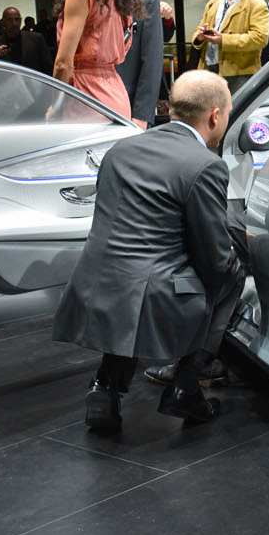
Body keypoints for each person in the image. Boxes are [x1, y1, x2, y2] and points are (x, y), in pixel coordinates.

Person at [54, 71, 240, 429]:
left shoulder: (121, 150)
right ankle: (187, 386)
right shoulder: (206, 166)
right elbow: (214, 259)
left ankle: (105, 384)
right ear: (215, 116)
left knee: (138, 274)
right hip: (155, 296)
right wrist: (232, 255)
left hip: (94, 285)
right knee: (229, 275)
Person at [194, 0, 269, 94]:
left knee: (236, 114)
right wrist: (200, 37)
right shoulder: (214, 2)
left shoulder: (256, 4)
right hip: (209, 69)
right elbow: (200, 28)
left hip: (240, 74)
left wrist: (223, 40)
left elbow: (260, 38)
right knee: (211, 114)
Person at [119, 0, 165, 128]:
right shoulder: (99, 1)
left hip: (132, 105)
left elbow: (152, 61)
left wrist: (142, 115)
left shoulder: (147, 2)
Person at [0, 6, 51, 76]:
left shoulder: (36, 39)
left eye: (17, 19)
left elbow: (47, 66)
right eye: (9, 20)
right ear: (3, 22)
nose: (14, 23)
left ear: (21, 21)